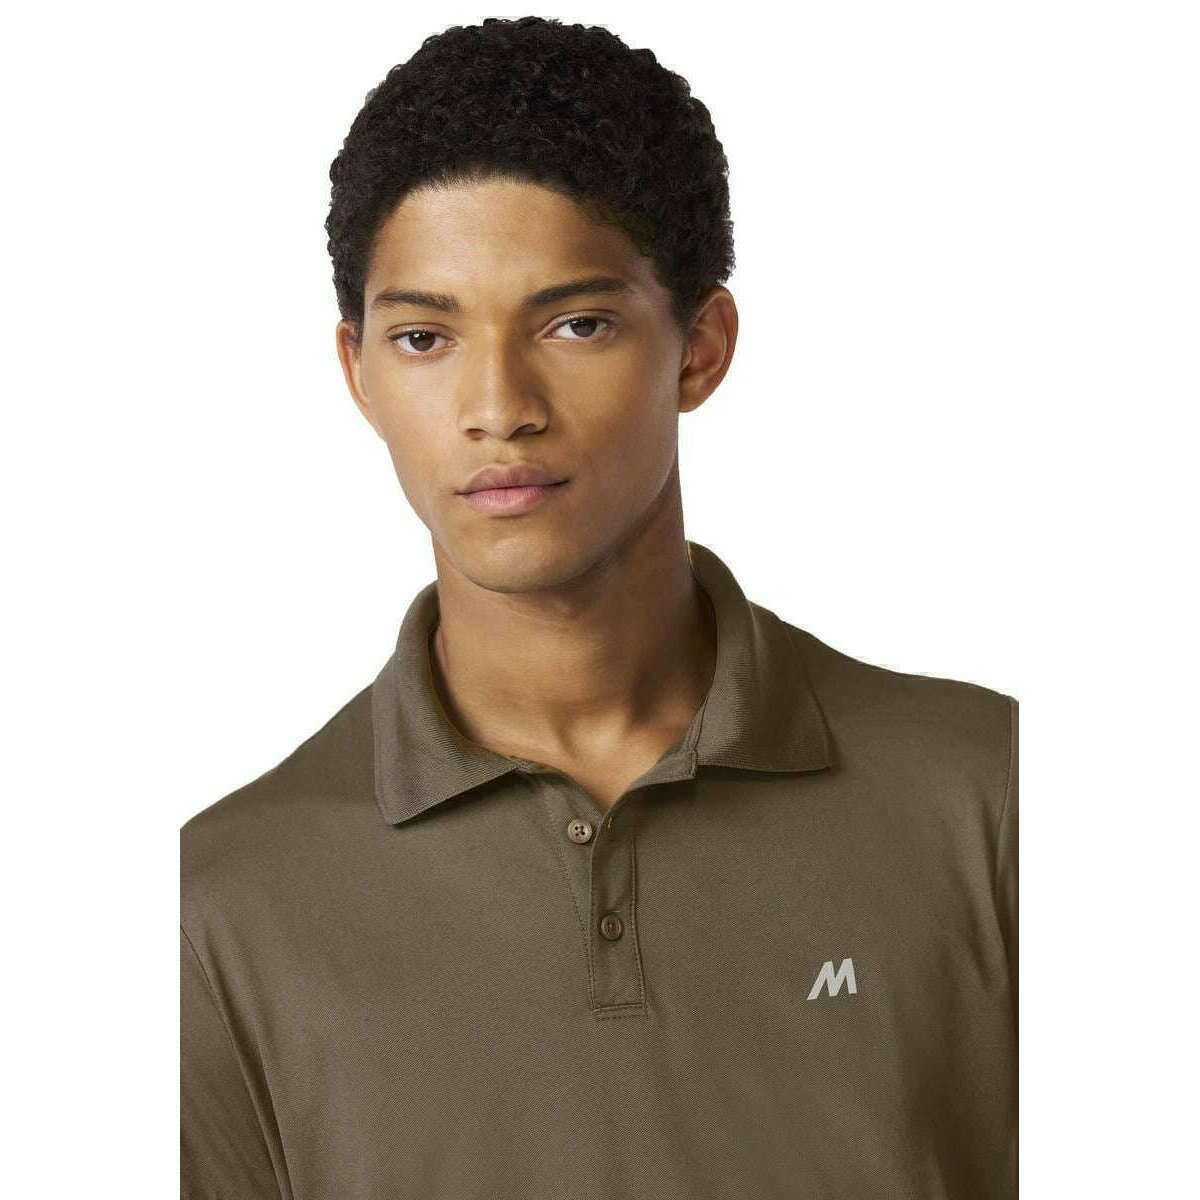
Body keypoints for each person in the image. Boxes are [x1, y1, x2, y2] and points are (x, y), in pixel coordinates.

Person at [180, 16, 1017, 1199]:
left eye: (575, 324)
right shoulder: (221, 905)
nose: (498, 405)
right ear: (358, 371)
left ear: (700, 348)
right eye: (424, 337)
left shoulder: (995, 798)